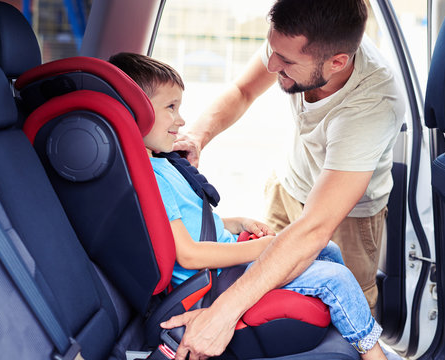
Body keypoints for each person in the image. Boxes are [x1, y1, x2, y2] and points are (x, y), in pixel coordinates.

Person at [108, 52, 387, 359]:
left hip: (223, 267)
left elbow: (181, 224)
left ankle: (345, 323)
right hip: (210, 282)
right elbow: (188, 254)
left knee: (329, 251)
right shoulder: (152, 179)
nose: (182, 119)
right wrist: (264, 249)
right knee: (337, 280)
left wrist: (235, 223)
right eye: (171, 108)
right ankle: (372, 351)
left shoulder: (161, 166)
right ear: (136, 113)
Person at [171, 0, 404, 342]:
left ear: (337, 62)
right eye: (272, 49)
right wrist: (196, 136)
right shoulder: (293, 44)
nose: (270, 63)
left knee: (345, 312)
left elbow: (314, 228)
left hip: (347, 216)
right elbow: (242, 90)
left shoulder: (372, 105)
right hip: (289, 185)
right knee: (264, 292)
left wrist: (220, 314)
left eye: (286, 62)